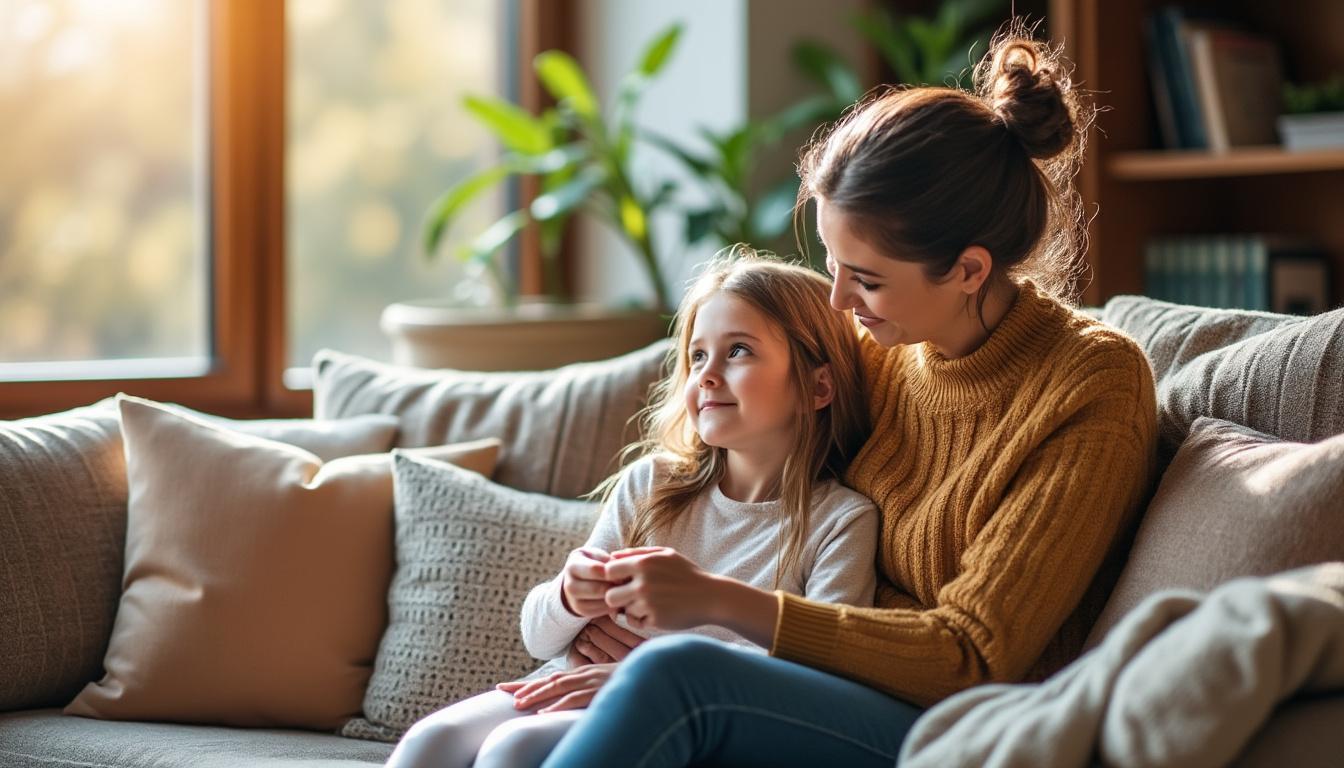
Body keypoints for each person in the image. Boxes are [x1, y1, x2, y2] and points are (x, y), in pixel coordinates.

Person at [539, 22, 1159, 768]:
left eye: (865, 279)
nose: (837, 302)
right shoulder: (883, 356)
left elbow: (972, 655)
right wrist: (621, 619)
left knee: (677, 679)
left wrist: (712, 608)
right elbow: (735, 473)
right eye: (833, 264)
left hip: (964, 723)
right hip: (821, 684)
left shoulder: (1091, 385)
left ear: (968, 269)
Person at [384, 251, 882, 768]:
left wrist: (633, 679)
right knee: (431, 741)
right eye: (697, 357)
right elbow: (538, 637)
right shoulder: (653, 484)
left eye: (738, 351)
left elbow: (821, 670)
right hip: (566, 682)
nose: (707, 376)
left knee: (514, 750)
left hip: (675, 717)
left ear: (818, 386)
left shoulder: (841, 521)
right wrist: (569, 598)